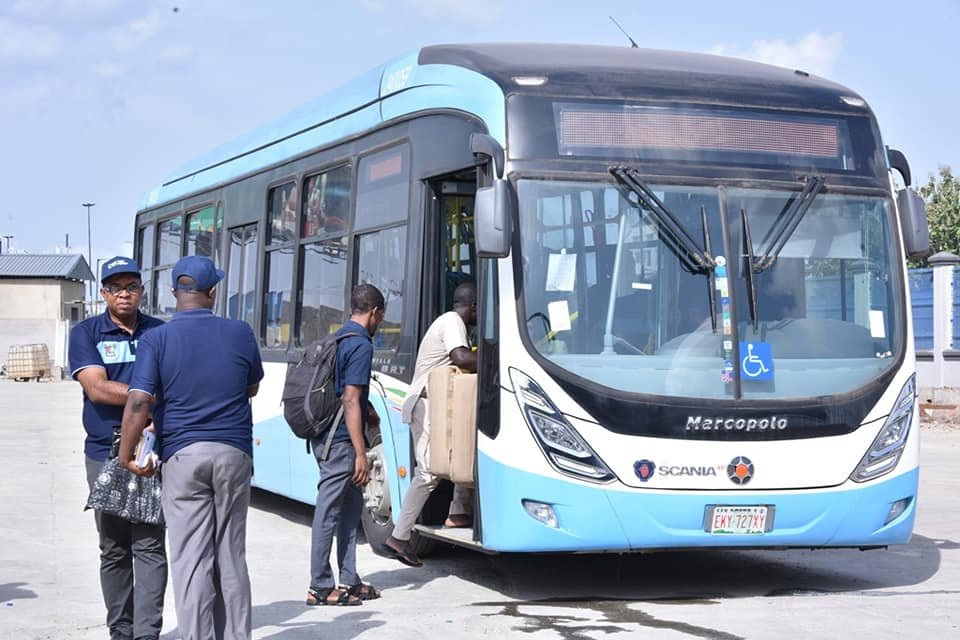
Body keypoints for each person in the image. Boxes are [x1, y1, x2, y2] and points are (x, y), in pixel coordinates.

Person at [118, 255, 264, 640]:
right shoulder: (241, 332)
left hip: (183, 456)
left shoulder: (156, 339)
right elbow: (252, 387)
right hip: (234, 453)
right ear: (213, 292)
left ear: (172, 292)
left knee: (192, 560)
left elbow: (138, 401)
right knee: (231, 557)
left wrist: (126, 455)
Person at [69, 256, 167, 640]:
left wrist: (149, 404)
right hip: (104, 451)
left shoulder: (160, 333)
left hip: (151, 448)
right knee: (113, 547)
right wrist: (149, 396)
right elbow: (96, 387)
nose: (124, 293)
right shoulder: (86, 333)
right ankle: (120, 631)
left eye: (131, 286)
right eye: (115, 287)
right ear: (104, 293)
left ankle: (147, 633)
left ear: (142, 291)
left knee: (149, 543)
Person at [381, 281, 478, 567]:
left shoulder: (455, 323)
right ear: (472, 306)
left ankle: (458, 512)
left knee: (464, 450)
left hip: (439, 403)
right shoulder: (452, 321)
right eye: (479, 308)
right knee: (427, 473)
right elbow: (461, 357)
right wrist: (496, 357)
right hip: (425, 403)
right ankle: (399, 536)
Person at [306, 283, 386, 606]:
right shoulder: (361, 345)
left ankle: (349, 578)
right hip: (339, 443)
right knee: (328, 511)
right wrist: (360, 453)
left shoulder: (338, 338)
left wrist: (370, 412)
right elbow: (350, 399)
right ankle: (320, 586)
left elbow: (346, 394)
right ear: (375, 313)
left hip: (326, 436)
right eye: (381, 317)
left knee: (350, 510)